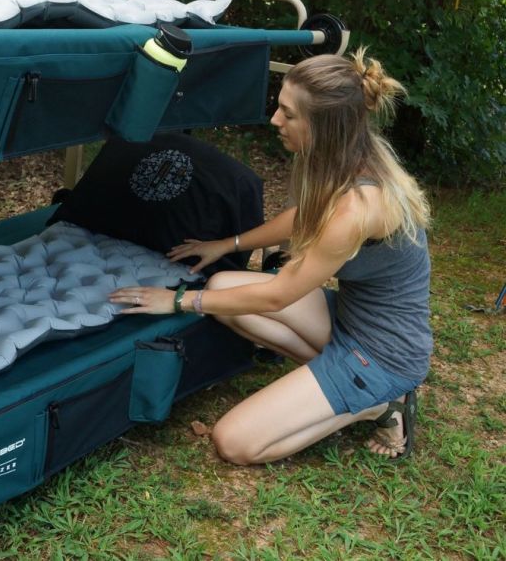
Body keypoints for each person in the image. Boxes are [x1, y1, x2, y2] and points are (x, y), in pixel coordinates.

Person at [110, 48, 431, 464]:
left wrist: (176, 301)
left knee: (234, 442)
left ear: (324, 126)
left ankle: (379, 405)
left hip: (385, 355)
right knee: (222, 287)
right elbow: (302, 217)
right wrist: (228, 244)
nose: (275, 120)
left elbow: (278, 295)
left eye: (288, 114)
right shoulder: (350, 159)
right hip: (351, 323)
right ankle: (344, 384)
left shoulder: (358, 208)